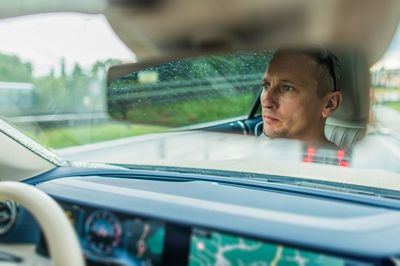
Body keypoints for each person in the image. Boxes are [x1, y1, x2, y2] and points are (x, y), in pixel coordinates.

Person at [260, 48, 342, 148]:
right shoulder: (257, 150)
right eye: (266, 86)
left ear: (329, 104)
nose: (266, 102)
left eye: (287, 88)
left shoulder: (340, 163)